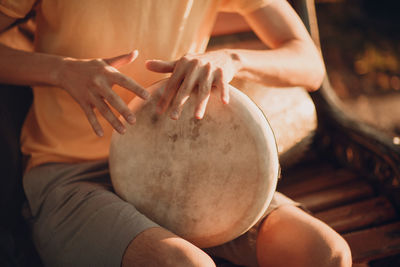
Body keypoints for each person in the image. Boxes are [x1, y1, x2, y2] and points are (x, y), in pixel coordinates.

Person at [0, 0, 352, 266]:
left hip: (187, 173)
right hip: (71, 174)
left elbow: (308, 62)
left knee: (327, 253)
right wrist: (61, 71)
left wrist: (233, 59)